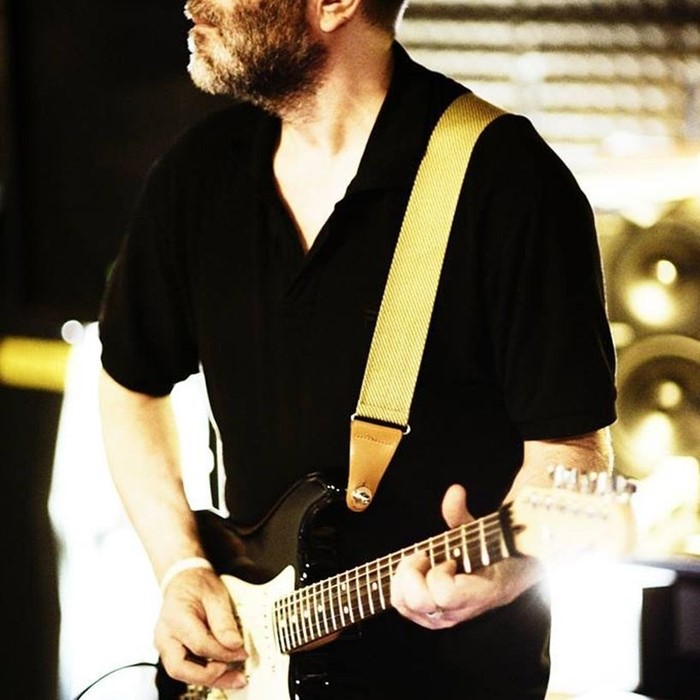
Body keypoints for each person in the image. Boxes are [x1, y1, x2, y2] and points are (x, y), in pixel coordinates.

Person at [97, 0, 617, 698]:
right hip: (247, 670)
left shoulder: (509, 181)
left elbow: (573, 458)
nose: (193, 2)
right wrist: (180, 568)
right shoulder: (198, 174)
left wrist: (508, 571)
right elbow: (129, 383)